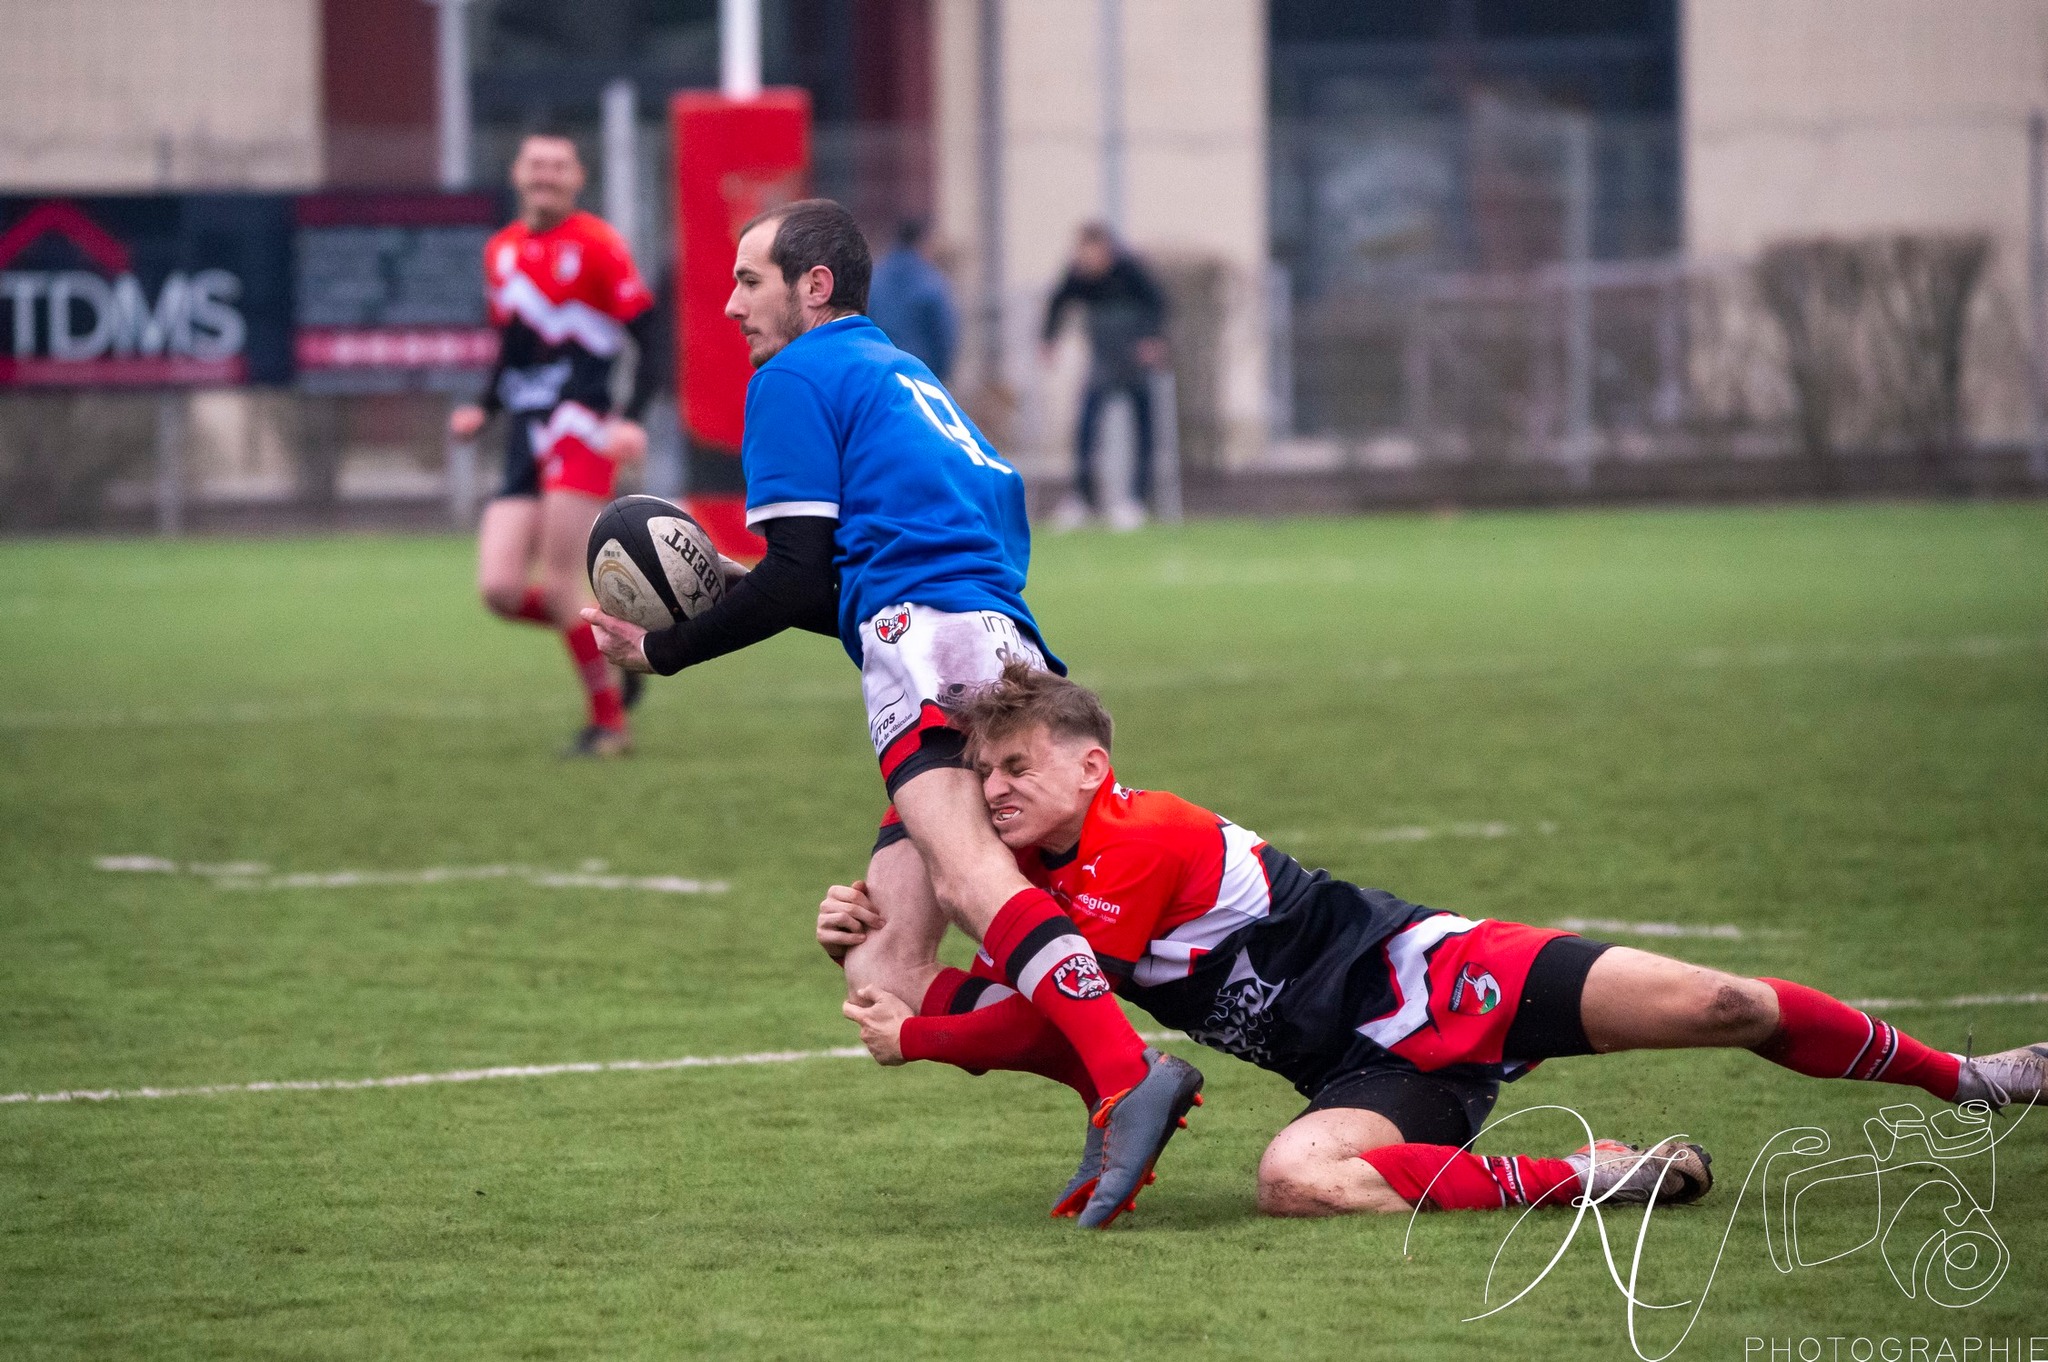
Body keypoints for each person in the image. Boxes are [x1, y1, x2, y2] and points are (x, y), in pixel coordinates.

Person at [822, 662, 2047, 1222]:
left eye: (1017, 766)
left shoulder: (1141, 838)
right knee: (1294, 1180)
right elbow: (1027, 996)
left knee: (1725, 1002)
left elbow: (1041, 1008)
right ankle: (1591, 1178)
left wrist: (920, 1023)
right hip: (1375, 1079)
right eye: (978, 772)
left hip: (1445, 973)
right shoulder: (1032, 891)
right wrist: (861, 940)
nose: (988, 790)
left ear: (1094, 766)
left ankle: (1969, 1079)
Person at [579, 199, 1203, 1229]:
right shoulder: (903, 375)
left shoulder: (791, 375)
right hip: (979, 640)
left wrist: (661, 650)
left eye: (749, 280)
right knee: (883, 963)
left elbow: (797, 578)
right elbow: (843, 578)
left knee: (971, 876)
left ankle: (1125, 1074)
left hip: (930, 650)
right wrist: (754, 582)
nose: (731, 306)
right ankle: (1116, 1080)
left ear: (813, 285)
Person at [449, 131, 658, 758]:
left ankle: (609, 727)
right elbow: (514, 347)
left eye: (558, 166)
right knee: (500, 589)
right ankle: (619, 642)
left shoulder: (598, 245)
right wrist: (482, 408)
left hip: (581, 426)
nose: (546, 175)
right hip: (525, 429)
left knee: (563, 581)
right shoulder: (502, 252)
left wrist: (631, 417)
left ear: (578, 178)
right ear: (517, 173)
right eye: (536, 165)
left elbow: (649, 338)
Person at [1039, 223, 1170, 532]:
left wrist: (1153, 339)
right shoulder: (1079, 274)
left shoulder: (1130, 271)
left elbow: (1158, 303)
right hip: (1101, 361)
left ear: (1106, 250)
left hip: (1133, 361)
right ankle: (1082, 498)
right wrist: (1049, 339)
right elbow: (1058, 301)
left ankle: (1136, 500)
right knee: (1087, 427)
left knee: (1143, 428)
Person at [866, 219, 959, 383]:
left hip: (880, 373)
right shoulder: (930, 281)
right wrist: (942, 374)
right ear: (922, 241)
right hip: (921, 374)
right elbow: (945, 334)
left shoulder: (874, 278)